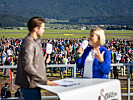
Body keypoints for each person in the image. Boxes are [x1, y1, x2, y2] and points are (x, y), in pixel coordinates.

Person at [15, 17, 59, 100]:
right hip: (30, 85)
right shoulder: (29, 43)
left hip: (34, 83)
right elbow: (28, 66)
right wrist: (44, 81)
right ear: (36, 28)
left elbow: (34, 63)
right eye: (42, 28)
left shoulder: (34, 42)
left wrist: (45, 61)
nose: (44, 30)